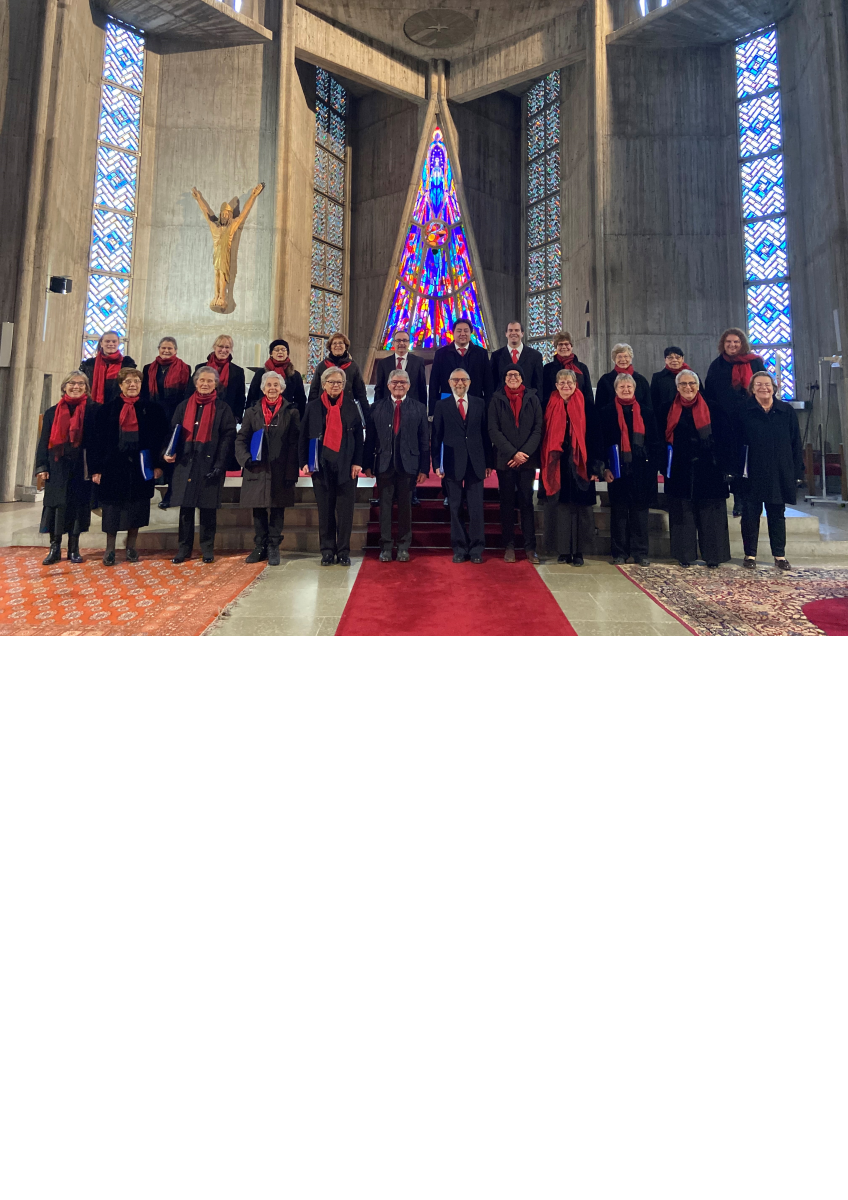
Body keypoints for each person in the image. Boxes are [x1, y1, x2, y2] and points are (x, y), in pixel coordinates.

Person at [89, 368, 168, 567]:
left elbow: (160, 441)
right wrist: (96, 469)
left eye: (136, 382)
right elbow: (96, 442)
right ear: (121, 385)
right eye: (128, 382)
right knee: (112, 509)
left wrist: (158, 466)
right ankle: (110, 550)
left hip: (141, 466)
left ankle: (131, 547)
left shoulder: (153, 410)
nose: (132, 385)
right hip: (113, 466)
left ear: (141, 385)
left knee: (137, 507)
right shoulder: (106, 410)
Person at [657, 370, 731, 568]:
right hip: (680, 468)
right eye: (683, 384)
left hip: (710, 469)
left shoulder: (714, 408)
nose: (687, 387)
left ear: (698, 386)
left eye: (691, 383)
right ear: (677, 387)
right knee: (682, 513)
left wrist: (721, 463)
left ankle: (713, 555)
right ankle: (684, 554)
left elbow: (726, 440)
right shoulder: (666, 409)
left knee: (711, 514)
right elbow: (659, 440)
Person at [164, 365, 237, 564]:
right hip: (186, 462)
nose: (205, 384)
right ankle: (183, 549)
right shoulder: (184, 405)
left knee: (207, 509)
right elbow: (174, 431)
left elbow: (228, 438)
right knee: (186, 509)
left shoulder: (223, 408)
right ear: (196, 382)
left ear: (216, 385)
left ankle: (207, 548)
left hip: (210, 462)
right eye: (201, 380)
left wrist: (220, 464)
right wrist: (169, 452)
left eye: (209, 381)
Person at [737, 371, 804, 570]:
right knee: (750, 515)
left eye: (767, 384)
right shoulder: (744, 410)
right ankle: (750, 555)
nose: (763, 388)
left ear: (774, 388)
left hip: (779, 470)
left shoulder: (786, 411)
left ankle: (780, 555)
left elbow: (795, 443)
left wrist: (797, 471)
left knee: (777, 513)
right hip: (753, 471)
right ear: (752, 388)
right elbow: (737, 443)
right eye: (758, 384)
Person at [299, 366, 364, 566]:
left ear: (344, 385)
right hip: (321, 466)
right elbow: (303, 436)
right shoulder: (313, 407)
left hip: (346, 466)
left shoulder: (352, 406)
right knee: (325, 510)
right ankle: (327, 550)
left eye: (339, 382)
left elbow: (358, 438)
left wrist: (357, 462)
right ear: (324, 384)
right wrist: (304, 462)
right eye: (331, 382)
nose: (335, 385)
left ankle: (343, 551)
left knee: (345, 512)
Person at [362, 370, 429, 562]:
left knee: (405, 508)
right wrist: (368, 464)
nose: (399, 385)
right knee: (384, 507)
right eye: (395, 382)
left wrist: (424, 468)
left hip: (409, 465)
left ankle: (403, 546)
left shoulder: (418, 408)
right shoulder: (377, 407)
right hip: (384, 464)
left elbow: (424, 441)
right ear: (389, 385)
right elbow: (370, 440)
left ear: (409, 385)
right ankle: (385, 546)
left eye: (403, 382)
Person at [235, 371, 301, 566]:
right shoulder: (252, 412)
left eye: (276, 385)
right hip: (257, 468)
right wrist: (246, 460)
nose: (272, 388)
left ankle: (273, 546)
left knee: (277, 508)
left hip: (281, 469)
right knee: (259, 509)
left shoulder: (292, 412)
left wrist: (292, 471)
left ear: (282, 388)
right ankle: (260, 546)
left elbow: (294, 443)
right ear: (263, 388)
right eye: (269, 385)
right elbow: (241, 439)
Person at [34, 371, 98, 565]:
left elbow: (98, 442)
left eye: (81, 384)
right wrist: (41, 466)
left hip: (82, 465)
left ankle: (74, 548)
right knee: (56, 507)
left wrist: (97, 468)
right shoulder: (52, 412)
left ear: (86, 388)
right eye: (72, 383)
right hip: (57, 465)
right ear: (64, 387)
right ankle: (54, 548)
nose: (76, 387)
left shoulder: (94, 410)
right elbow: (44, 440)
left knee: (78, 506)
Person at [540, 369, 602, 566]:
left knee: (581, 509)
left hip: (581, 462)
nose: (566, 386)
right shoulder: (548, 404)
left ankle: (579, 551)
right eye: (562, 383)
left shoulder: (587, 406)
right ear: (556, 385)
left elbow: (595, 438)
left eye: (570, 383)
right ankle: (564, 550)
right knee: (561, 507)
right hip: (557, 462)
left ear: (576, 384)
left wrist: (595, 467)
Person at [598, 372, 662, 565]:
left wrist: (652, 465)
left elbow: (655, 441)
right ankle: (619, 553)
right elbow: (601, 443)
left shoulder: (647, 412)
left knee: (640, 513)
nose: (625, 390)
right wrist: (604, 468)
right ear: (616, 390)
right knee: (618, 512)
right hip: (617, 470)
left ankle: (640, 553)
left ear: (634, 389)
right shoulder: (606, 412)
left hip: (642, 470)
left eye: (629, 387)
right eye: (621, 387)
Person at [431, 369, 493, 563]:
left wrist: (488, 462)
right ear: (449, 383)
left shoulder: (479, 403)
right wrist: (436, 463)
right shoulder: (441, 405)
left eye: (463, 379)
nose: (460, 383)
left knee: (476, 508)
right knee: (455, 506)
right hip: (451, 462)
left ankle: (476, 549)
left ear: (470, 382)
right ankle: (459, 548)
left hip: (476, 462)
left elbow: (486, 435)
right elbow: (436, 437)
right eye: (456, 380)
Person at [704, 327, 766, 517]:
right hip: (725, 422)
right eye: (728, 342)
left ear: (742, 344)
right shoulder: (717, 365)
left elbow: (764, 387)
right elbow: (710, 392)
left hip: (750, 420)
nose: (732, 345)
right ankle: (735, 499)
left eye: (736, 342)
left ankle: (748, 500)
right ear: (723, 344)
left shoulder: (755, 363)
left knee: (749, 461)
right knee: (731, 461)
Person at [488, 364, 543, 564]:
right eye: (509, 374)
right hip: (506, 461)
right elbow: (493, 429)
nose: (513, 377)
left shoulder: (533, 398)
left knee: (527, 503)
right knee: (507, 504)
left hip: (527, 462)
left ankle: (530, 548)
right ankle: (509, 546)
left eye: (516, 374)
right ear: (504, 378)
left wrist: (524, 453)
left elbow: (538, 429)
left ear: (522, 378)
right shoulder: (496, 399)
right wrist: (513, 453)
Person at [141, 336, 192, 511]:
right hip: (153, 417)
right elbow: (145, 395)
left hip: (174, 416)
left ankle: (171, 493)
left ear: (176, 350)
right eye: (163, 348)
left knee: (171, 454)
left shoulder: (185, 368)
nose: (166, 351)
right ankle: (149, 491)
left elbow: (186, 395)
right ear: (158, 349)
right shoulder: (148, 368)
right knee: (154, 452)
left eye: (170, 348)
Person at [428, 318, 492, 418]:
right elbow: (434, 384)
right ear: (453, 333)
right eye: (459, 331)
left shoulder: (481, 354)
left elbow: (488, 384)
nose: (462, 334)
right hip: (447, 404)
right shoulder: (441, 354)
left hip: (475, 405)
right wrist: (432, 411)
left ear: (471, 333)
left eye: (466, 331)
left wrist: (489, 409)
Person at [306, 332, 368, 419]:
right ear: (330, 347)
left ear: (345, 346)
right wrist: (310, 413)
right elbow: (314, 390)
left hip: (346, 410)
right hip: (323, 410)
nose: (337, 345)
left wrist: (367, 417)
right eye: (334, 343)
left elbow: (361, 393)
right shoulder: (322, 366)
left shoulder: (353, 367)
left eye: (341, 343)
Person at [246, 339, 307, 418]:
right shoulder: (261, 373)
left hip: (287, 416)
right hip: (262, 415)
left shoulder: (295, 375)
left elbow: (300, 399)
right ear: (271, 353)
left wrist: (299, 418)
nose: (280, 352)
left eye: (283, 350)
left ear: (287, 353)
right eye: (277, 350)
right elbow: (252, 395)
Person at [195, 335, 247, 424]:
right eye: (220, 346)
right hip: (201, 414)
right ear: (214, 347)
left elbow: (240, 397)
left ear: (231, 349)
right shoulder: (200, 368)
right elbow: (191, 391)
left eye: (227, 347)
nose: (223, 350)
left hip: (227, 416)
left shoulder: (237, 371)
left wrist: (237, 417)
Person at [373, 329, 428, 408]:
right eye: (398, 340)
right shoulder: (383, 363)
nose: (401, 343)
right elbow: (379, 389)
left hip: (412, 409)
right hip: (388, 408)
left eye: (405, 340)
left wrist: (423, 409)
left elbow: (422, 388)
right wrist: (377, 409)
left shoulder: (418, 362)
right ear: (393, 343)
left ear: (409, 343)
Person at [80, 331, 136, 405]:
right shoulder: (89, 364)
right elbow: (82, 384)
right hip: (93, 406)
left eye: (114, 341)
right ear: (101, 343)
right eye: (107, 341)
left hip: (119, 405)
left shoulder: (127, 363)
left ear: (118, 343)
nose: (111, 344)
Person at [490, 320, 544, 396]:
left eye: (517, 330)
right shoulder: (496, 356)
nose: (513, 333)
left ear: (522, 333)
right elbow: (492, 382)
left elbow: (539, 383)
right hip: (503, 402)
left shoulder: (535, 356)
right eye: (510, 330)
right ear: (506, 334)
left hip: (528, 401)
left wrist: (537, 404)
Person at [541, 331, 593, 409]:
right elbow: (545, 393)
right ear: (556, 347)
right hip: (555, 409)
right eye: (560, 344)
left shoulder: (582, 367)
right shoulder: (548, 368)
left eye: (566, 344)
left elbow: (588, 393)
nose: (564, 347)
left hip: (579, 409)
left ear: (571, 346)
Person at [594, 343, 652, 410]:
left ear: (630, 358)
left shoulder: (642, 380)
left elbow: (648, 406)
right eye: (619, 357)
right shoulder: (605, 380)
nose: (623, 360)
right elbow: (599, 407)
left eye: (626, 356)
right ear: (614, 359)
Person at [650, 346, 691, 413]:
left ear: (683, 359)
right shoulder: (657, 377)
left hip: (689, 415)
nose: (674, 360)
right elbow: (654, 401)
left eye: (678, 357)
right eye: (670, 358)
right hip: (665, 416)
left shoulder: (692, 376)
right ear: (665, 360)